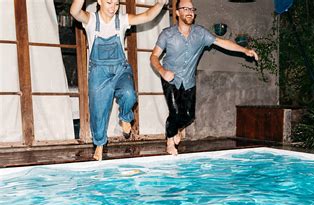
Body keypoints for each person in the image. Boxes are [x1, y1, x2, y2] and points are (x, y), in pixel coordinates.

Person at [150, 0, 259, 156]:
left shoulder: (200, 34)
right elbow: (153, 56)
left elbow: (222, 42)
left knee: (188, 116)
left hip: (188, 80)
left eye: (192, 9)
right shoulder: (167, 34)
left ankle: (175, 129)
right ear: (178, 12)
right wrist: (162, 70)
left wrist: (245, 50)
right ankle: (169, 139)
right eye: (185, 9)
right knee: (174, 113)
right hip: (170, 78)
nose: (189, 12)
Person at [70, 0, 168, 161]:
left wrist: (159, 4)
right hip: (98, 72)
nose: (113, 8)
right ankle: (100, 144)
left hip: (120, 69)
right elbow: (74, 12)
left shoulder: (121, 20)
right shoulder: (91, 20)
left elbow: (147, 16)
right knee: (98, 111)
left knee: (129, 94)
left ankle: (125, 117)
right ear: (100, 1)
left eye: (116, 4)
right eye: (109, 2)